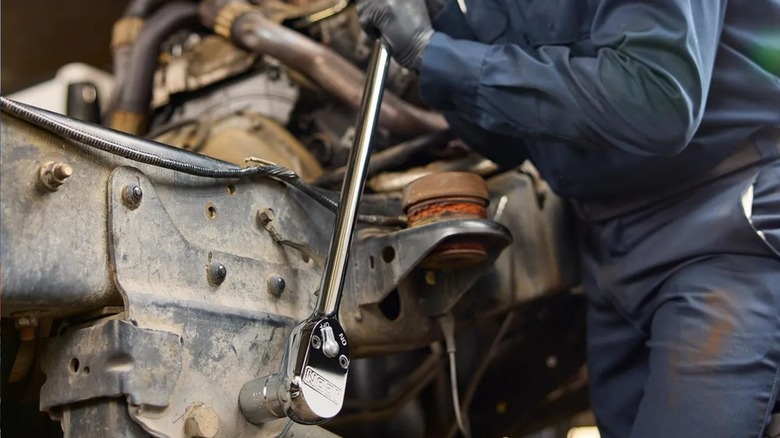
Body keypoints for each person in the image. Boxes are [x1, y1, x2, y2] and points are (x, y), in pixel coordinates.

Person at [356, 0, 780, 436]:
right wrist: (442, 26)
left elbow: (657, 99)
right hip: (609, 242)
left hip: (723, 227)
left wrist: (437, 54)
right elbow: (512, 141)